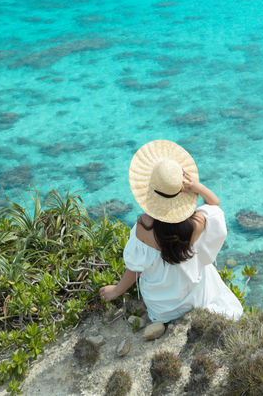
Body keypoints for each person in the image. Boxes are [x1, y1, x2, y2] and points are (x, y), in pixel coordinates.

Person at [99, 139, 243, 324]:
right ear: (181, 193)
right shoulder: (195, 225)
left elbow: (134, 268)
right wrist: (197, 187)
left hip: (162, 309)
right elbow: (214, 205)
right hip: (194, 299)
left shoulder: (144, 228)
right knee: (206, 269)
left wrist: (116, 291)